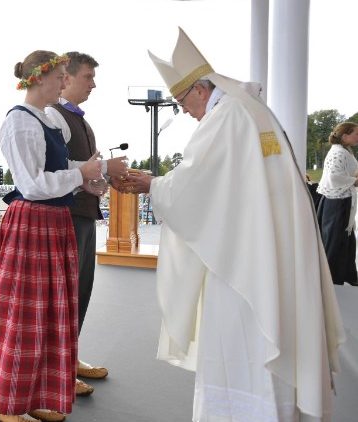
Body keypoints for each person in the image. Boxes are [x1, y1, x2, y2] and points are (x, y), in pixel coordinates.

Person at [124, 28, 344, 421]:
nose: (185, 111)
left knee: (242, 339)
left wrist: (152, 184)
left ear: (199, 89)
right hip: (271, 244)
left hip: (241, 257)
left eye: (181, 101)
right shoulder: (250, 108)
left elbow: (195, 186)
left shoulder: (225, 117)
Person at [0, 50, 109, 422]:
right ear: (40, 78)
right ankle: (7, 404)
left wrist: (91, 173)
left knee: (46, 317)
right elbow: (33, 184)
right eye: (60, 76)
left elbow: (59, 168)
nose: (64, 82)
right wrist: (81, 175)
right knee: (22, 317)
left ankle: (32, 396)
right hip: (33, 225)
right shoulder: (20, 122)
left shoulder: (45, 119)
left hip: (52, 223)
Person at [45, 51, 128, 396]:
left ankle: (69, 356)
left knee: (80, 290)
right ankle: (58, 369)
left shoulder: (79, 119)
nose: (94, 84)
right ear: (68, 77)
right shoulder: (54, 115)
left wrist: (102, 179)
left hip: (82, 213)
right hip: (66, 214)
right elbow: (59, 166)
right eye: (88, 77)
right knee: (66, 294)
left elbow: (81, 171)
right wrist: (106, 169)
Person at [316, 121, 358, 286]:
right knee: (335, 240)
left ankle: (348, 274)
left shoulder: (345, 150)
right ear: (345, 135)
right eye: (356, 133)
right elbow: (333, 178)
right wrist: (354, 182)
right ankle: (332, 279)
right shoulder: (339, 153)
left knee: (346, 239)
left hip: (340, 200)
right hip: (337, 202)